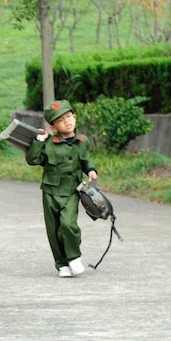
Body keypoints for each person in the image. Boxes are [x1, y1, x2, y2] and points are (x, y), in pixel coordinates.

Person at [26, 99, 97, 278]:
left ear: (75, 117)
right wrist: (38, 141)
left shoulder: (82, 141)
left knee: (68, 224)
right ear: (53, 127)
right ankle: (61, 264)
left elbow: (85, 159)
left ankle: (73, 257)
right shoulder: (48, 143)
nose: (67, 121)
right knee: (54, 228)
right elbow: (33, 160)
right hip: (50, 191)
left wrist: (91, 170)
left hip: (72, 190)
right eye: (60, 120)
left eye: (68, 116)